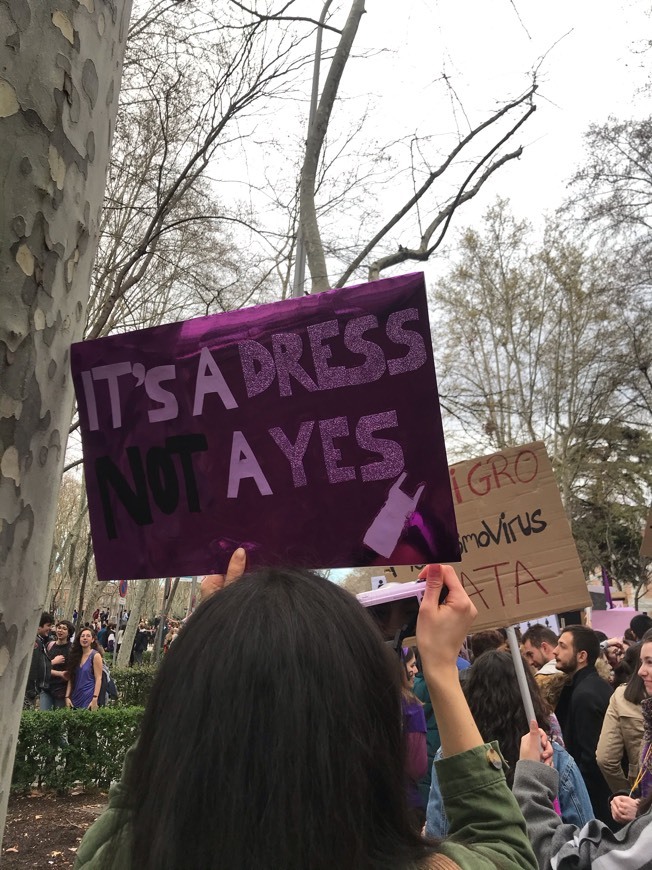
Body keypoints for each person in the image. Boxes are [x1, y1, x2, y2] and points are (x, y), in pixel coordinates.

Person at [74, 557, 537, 869]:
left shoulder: (122, 852)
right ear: (369, 728)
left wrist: (213, 644)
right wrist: (440, 667)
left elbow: (134, 793)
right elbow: (502, 843)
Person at [425, 650, 593, 837]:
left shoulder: (452, 754)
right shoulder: (550, 754)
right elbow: (585, 835)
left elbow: (438, 830)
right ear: (529, 693)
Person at [553, 625, 613, 825]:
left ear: (581, 656)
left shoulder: (585, 694)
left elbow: (590, 759)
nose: (555, 651)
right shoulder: (588, 686)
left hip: (597, 807)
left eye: (562, 646)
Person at [596, 642, 645, 795]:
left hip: (640, 786)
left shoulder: (621, 695)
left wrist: (625, 793)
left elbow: (605, 759)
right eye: (644, 663)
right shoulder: (621, 695)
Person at [399, 646, 427, 822]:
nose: (416, 670)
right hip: (409, 800)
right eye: (412, 665)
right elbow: (417, 766)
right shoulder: (411, 707)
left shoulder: (371, 699)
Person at [65, 627, 103, 710]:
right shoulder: (75, 656)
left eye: (88, 636)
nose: (85, 638)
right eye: (82, 636)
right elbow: (70, 678)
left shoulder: (95, 656)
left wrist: (95, 698)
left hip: (89, 698)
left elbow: (99, 678)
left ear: (92, 640)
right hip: (74, 698)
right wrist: (67, 696)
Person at [41, 620, 75, 710]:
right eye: (59, 628)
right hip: (46, 688)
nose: (60, 630)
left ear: (69, 633)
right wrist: (58, 671)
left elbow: (70, 674)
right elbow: (42, 667)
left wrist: (67, 695)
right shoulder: (49, 645)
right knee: (44, 717)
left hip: (61, 691)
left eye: (64, 629)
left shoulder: (72, 650)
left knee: (58, 720)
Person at [24, 612, 54, 709]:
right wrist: (32, 690)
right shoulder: (36, 642)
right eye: (48, 625)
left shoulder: (40, 640)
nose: (50, 629)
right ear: (39, 626)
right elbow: (33, 666)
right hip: (30, 690)